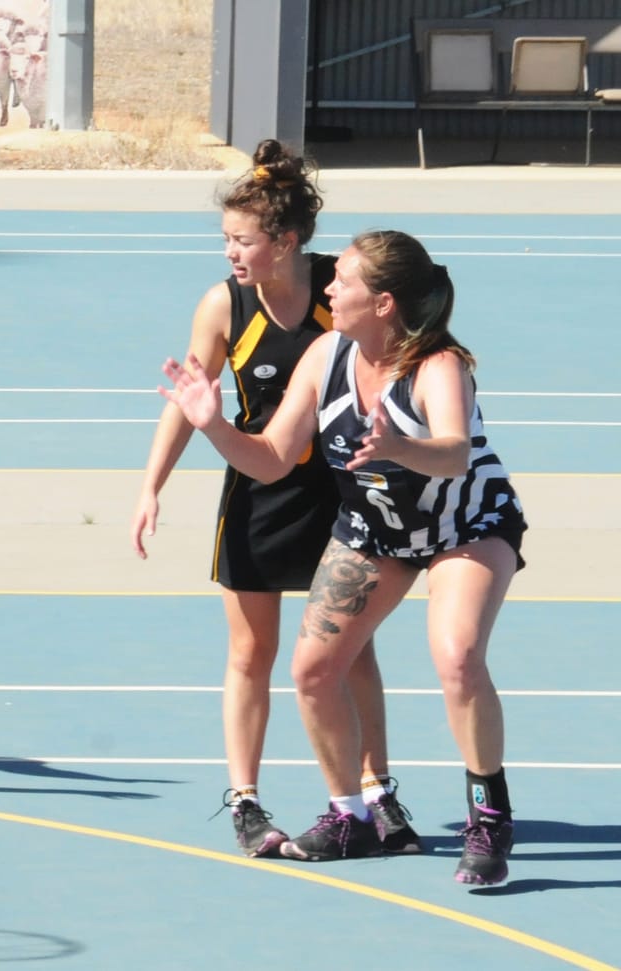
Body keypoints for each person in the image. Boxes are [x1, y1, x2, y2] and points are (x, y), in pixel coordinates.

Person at [160, 228, 524, 884]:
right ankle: (349, 815)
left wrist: (396, 447)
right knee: (315, 669)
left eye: (344, 281)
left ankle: (488, 816)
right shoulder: (327, 355)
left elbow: (453, 451)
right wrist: (212, 421)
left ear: (382, 303)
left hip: (464, 526)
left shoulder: (438, 365)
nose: (329, 286)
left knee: (459, 656)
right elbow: (270, 460)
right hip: (378, 530)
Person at [131, 140, 418, 859]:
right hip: (258, 489)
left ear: (285, 241)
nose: (230, 252)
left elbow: (398, 354)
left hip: (342, 492)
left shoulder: (337, 291)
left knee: (352, 650)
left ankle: (378, 792)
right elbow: (190, 399)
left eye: (241, 240)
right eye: (226, 239)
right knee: (251, 651)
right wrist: (150, 485)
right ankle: (247, 802)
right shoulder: (223, 304)